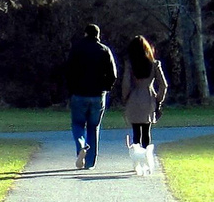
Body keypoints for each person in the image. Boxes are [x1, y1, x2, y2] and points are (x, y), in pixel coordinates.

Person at [64, 23, 117, 170]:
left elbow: (68, 71)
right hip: (97, 95)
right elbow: (113, 75)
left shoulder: (76, 49)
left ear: (85, 33)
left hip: (79, 94)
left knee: (77, 124)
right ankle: (90, 162)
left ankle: (81, 146)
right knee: (94, 127)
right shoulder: (105, 50)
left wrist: (71, 89)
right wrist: (106, 88)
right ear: (98, 35)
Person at [121, 35, 168, 173]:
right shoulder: (154, 64)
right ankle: (148, 160)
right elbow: (164, 85)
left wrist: (125, 98)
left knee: (136, 132)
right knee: (146, 132)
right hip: (148, 98)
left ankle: (137, 163)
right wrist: (159, 99)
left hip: (134, 99)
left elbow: (126, 84)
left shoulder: (130, 65)